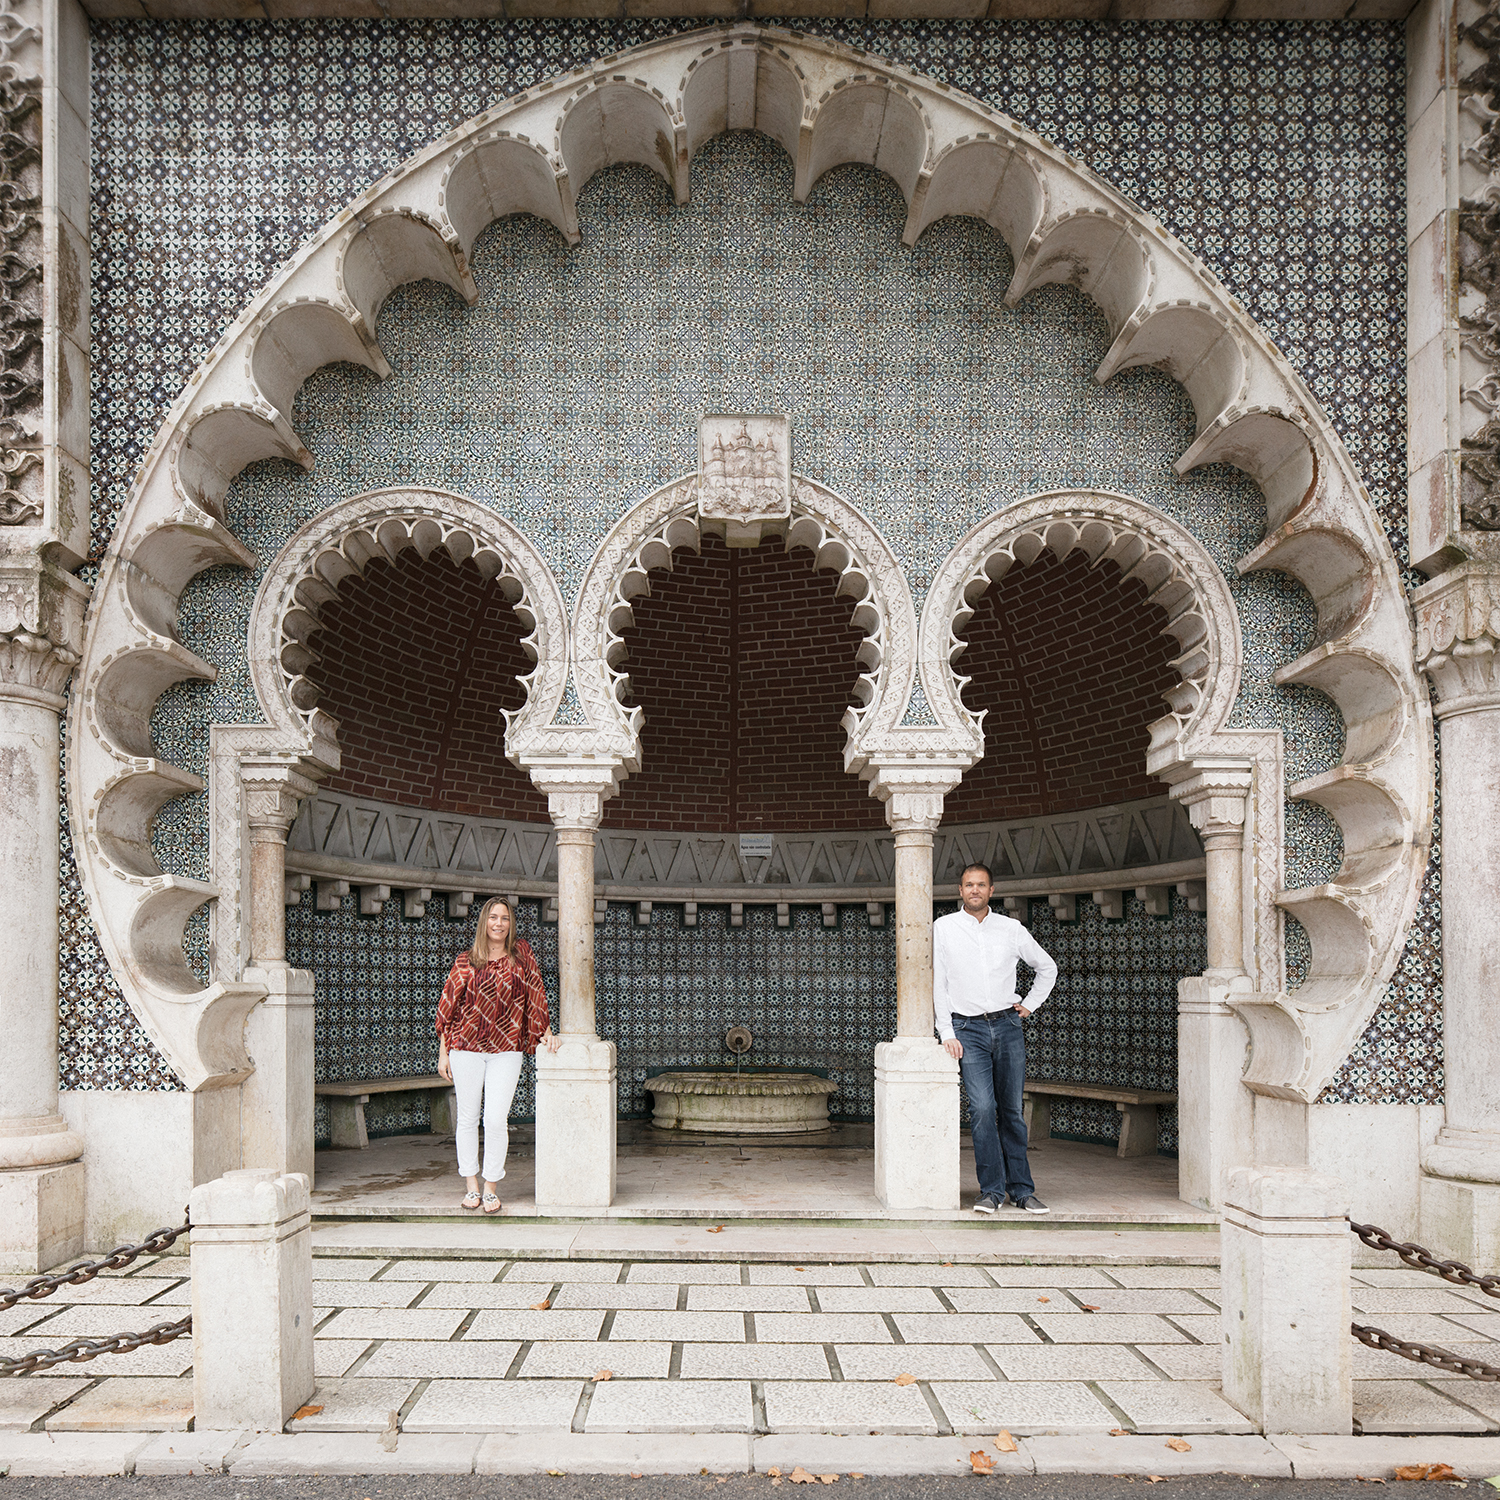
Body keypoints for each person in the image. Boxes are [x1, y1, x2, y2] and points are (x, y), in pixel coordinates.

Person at [933, 862, 1059, 1216]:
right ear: (960, 891)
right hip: (967, 1030)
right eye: (969, 885)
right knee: (983, 1110)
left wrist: (1030, 1005)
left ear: (991, 890)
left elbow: (1047, 967)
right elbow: (938, 984)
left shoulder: (1011, 929)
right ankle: (990, 1191)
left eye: (981, 885)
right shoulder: (943, 928)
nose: (975, 890)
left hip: (1007, 1027)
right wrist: (946, 1031)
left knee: (1011, 1112)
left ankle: (1021, 1190)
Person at [436, 896, 560, 1214]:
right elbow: (448, 1008)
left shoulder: (522, 956)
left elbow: (536, 993)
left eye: (505, 918)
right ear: (484, 922)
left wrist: (544, 1030)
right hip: (466, 1047)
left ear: (510, 923)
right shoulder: (466, 960)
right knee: (467, 1117)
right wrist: (444, 1052)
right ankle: (471, 1185)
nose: (499, 923)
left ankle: (491, 1186)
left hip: (507, 1048)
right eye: (493, 917)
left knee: (495, 1119)